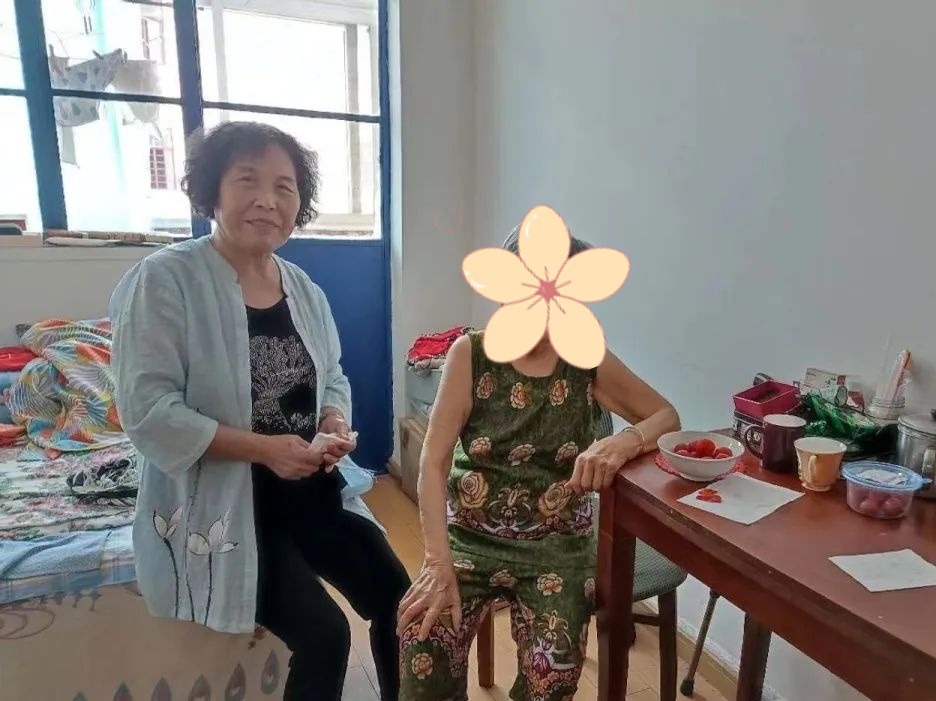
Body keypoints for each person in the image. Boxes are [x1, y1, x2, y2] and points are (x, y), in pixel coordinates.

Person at [109, 121, 410, 701]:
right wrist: (264, 450)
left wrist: (332, 421)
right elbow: (148, 410)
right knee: (324, 636)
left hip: (310, 496)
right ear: (212, 191)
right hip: (228, 508)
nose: (268, 200)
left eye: (284, 186)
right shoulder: (165, 280)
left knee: (401, 601)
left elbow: (333, 376)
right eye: (247, 180)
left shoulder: (302, 288)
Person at [397, 229, 681, 701]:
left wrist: (623, 442)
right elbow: (434, 459)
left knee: (555, 669)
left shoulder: (586, 358)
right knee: (422, 635)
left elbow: (666, 416)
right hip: (469, 539)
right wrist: (437, 562)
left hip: (557, 544)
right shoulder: (470, 354)